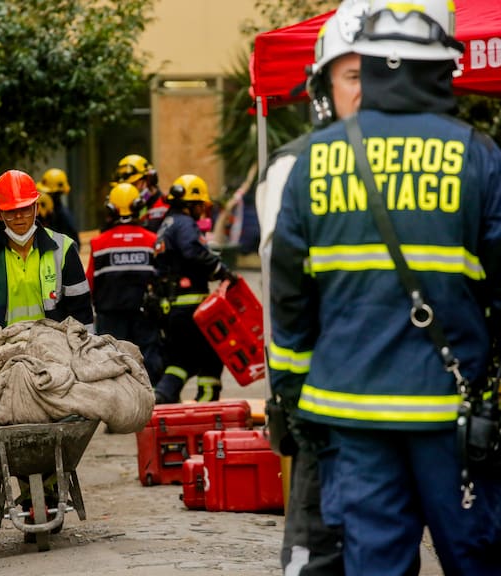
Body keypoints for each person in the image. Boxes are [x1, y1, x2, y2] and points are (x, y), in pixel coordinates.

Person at [268, 1, 501, 574]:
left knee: (374, 564)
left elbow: (290, 302)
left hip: (349, 417)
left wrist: (291, 396)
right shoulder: (478, 155)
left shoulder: (312, 162)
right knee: (477, 557)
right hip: (450, 417)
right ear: (441, 70)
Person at [256, 1, 368, 573]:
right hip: (325, 402)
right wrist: (289, 394)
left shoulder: (446, 155)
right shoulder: (293, 167)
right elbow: (284, 293)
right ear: (324, 85)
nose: (368, 90)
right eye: (354, 75)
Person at [0, 169, 94, 356]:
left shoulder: (64, 249)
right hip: (3, 357)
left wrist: (87, 356)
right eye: (11, 211)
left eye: (25, 208)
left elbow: (82, 315)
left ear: (36, 208)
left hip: (57, 354)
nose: (19, 216)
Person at [152, 174, 235, 404]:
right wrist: (221, 271)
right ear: (191, 204)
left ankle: (162, 397)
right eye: (201, 205)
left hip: (171, 308)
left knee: (180, 361)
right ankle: (207, 405)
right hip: (190, 308)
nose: (202, 210)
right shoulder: (184, 224)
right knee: (211, 355)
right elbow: (193, 252)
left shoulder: (167, 224)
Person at [86, 182, 163, 385]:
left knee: (112, 366)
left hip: (110, 318)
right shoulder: (152, 241)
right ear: (139, 207)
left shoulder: (99, 244)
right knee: (149, 368)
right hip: (145, 316)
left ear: (110, 209)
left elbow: (89, 284)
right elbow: (162, 278)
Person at [112, 154, 169, 233]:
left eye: (133, 185)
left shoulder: (165, 207)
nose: (129, 191)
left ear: (149, 180)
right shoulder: (122, 210)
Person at [36, 168, 80, 246]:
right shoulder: (43, 213)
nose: (44, 196)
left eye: (49, 193)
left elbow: (74, 245)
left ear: (58, 194)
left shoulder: (63, 216)